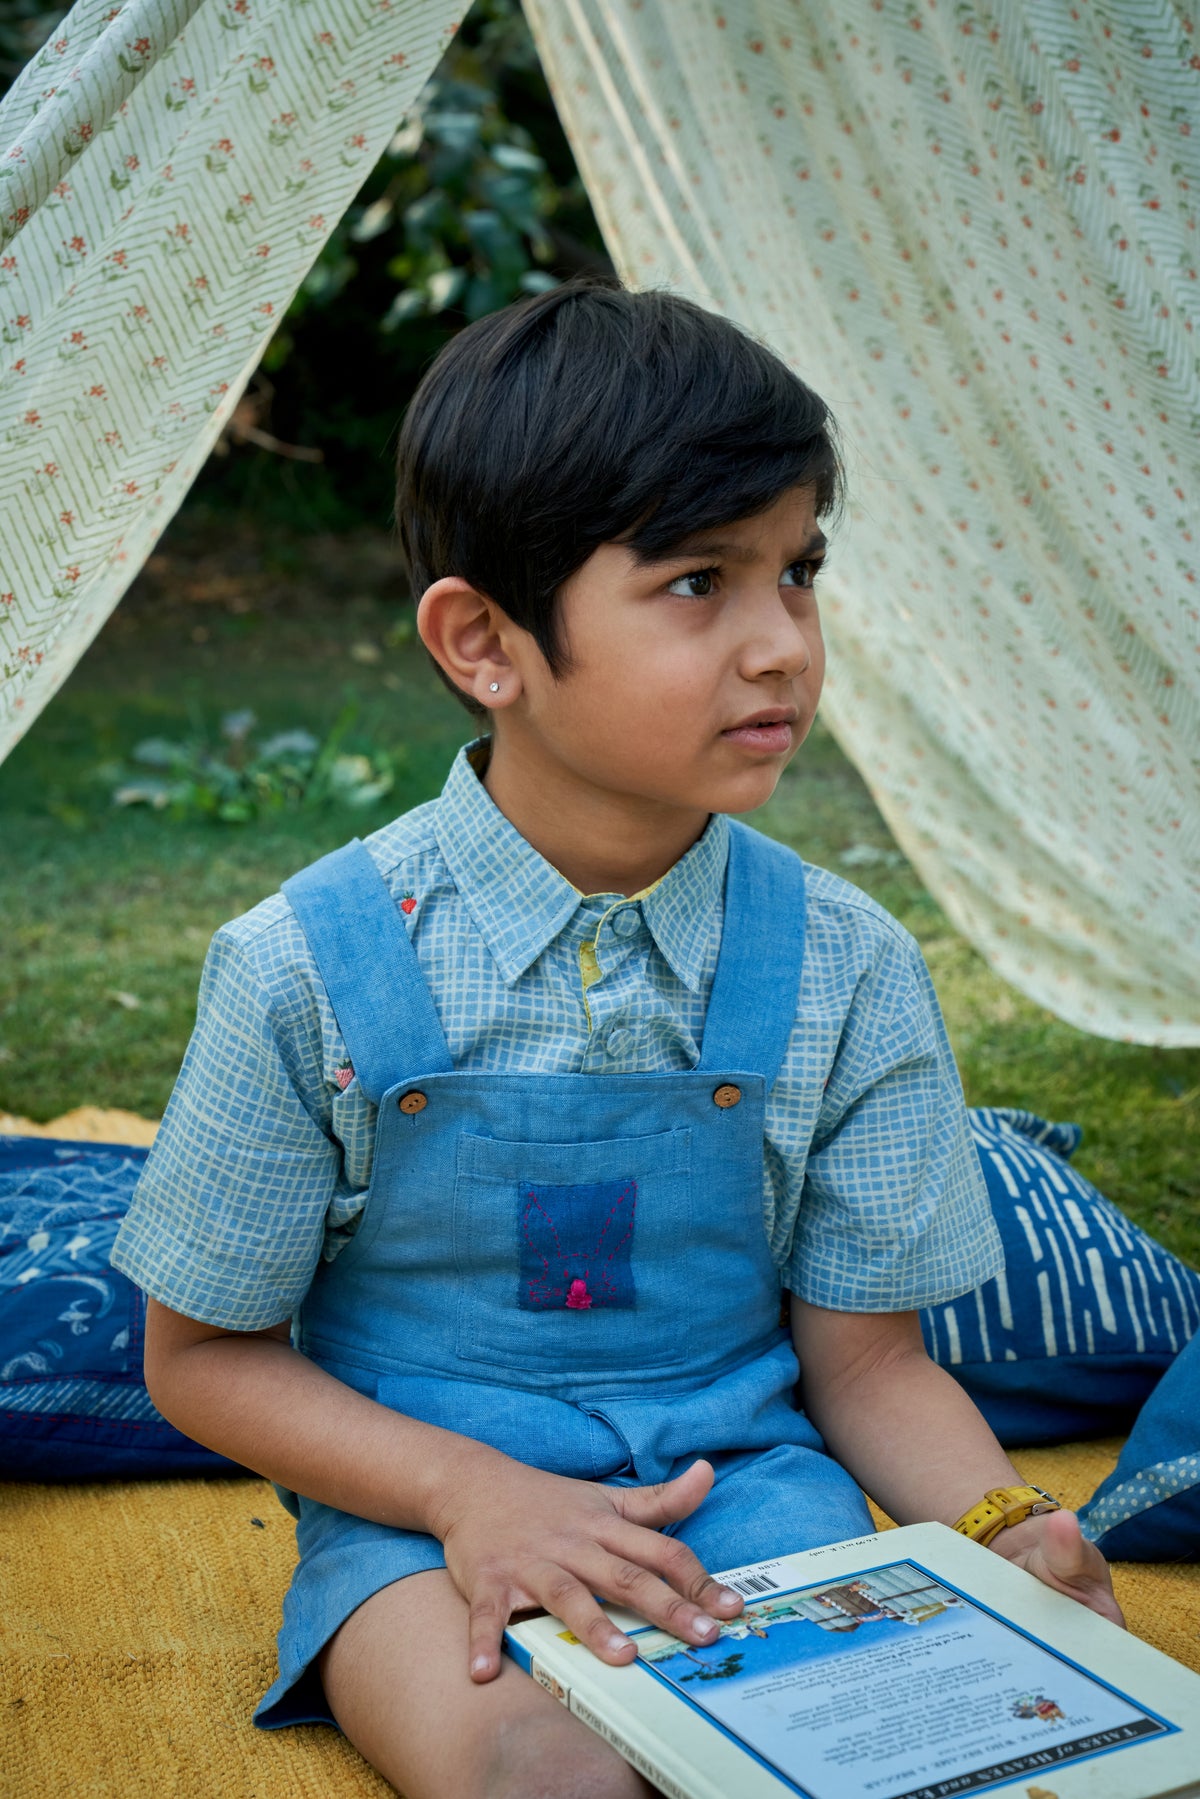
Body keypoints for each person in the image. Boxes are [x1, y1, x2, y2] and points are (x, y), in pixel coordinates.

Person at [111, 280, 1121, 1799]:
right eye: (700, 582)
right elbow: (201, 1359)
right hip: (421, 1521)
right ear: (485, 641)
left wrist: (1004, 1530)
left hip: (752, 1500)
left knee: (937, 1751)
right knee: (553, 1780)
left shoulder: (850, 966)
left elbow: (867, 1363)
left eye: (799, 571)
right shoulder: (302, 965)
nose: (781, 645)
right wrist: (468, 1494)